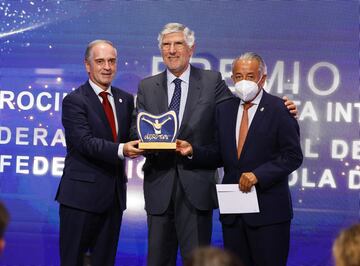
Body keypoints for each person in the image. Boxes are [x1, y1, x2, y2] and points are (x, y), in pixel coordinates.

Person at [131, 23, 298, 265]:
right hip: (159, 185)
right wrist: (139, 142)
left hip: (197, 186)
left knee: (200, 260)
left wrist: (284, 107)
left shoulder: (212, 81)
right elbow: (137, 127)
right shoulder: (147, 85)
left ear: (191, 49)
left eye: (178, 44)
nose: (172, 50)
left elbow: (245, 112)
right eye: (166, 45)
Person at [179, 52, 303, 266]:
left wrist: (258, 175)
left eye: (250, 76)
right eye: (238, 76)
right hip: (234, 213)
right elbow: (220, 153)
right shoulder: (224, 110)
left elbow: (292, 156)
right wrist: (193, 151)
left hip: (269, 215)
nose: (243, 82)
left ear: (262, 79)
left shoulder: (280, 109)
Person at [55, 40, 142, 266]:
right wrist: (123, 149)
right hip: (80, 199)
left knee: (105, 261)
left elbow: (132, 134)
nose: (107, 67)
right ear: (87, 65)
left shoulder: (125, 99)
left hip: (113, 198)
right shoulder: (75, 101)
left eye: (112, 61)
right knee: (73, 260)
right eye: (100, 61)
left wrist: (153, 141)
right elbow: (85, 143)